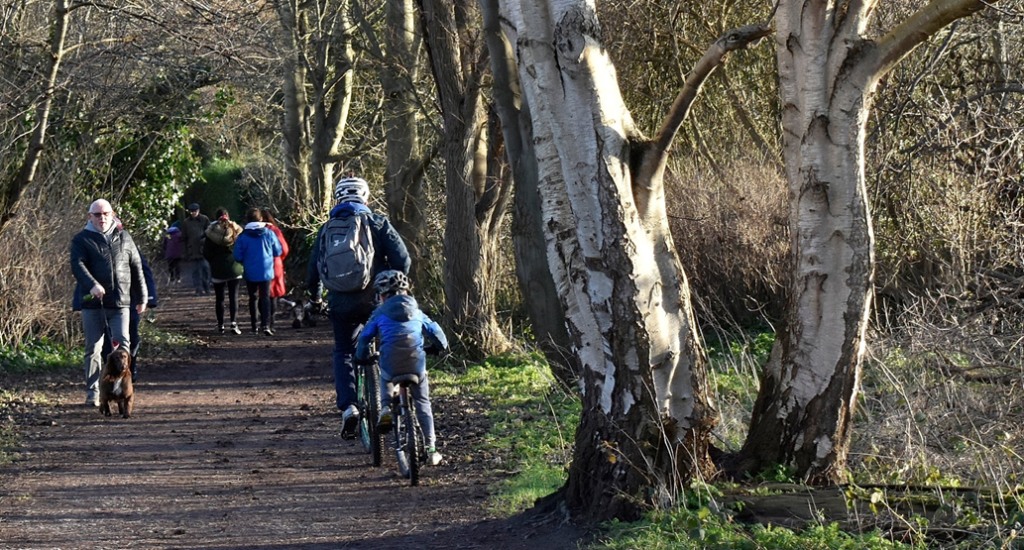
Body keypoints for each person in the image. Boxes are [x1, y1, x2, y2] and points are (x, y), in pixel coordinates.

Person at [306, 175, 410, 437]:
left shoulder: (328, 227)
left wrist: (315, 298)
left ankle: (349, 407)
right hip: (378, 300)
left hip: (340, 302)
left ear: (338, 199)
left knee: (344, 351)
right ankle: (390, 399)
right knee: (388, 343)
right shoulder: (377, 222)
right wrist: (394, 287)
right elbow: (403, 260)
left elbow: (313, 271)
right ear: (366, 197)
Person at [355, 270, 447, 466]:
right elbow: (437, 333)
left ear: (381, 296)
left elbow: (364, 339)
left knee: (386, 375)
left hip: (391, 362)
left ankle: (386, 406)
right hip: (416, 363)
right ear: (407, 292)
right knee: (423, 402)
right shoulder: (417, 311)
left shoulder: (379, 313)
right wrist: (438, 348)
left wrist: (361, 357)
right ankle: (431, 449)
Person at [69, 199, 148, 407]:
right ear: (90, 217)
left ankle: (123, 389)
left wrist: (142, 297)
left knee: (124, 344)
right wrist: (92, 285)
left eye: (105, 214)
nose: (102, 218)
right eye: (97, 214)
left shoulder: (125, 237)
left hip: (121, 302)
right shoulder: (81, 240)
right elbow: (77, 266)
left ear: (112, 214)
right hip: (93, 304)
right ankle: (94, 392)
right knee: (93, 348)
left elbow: (136, 267)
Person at [233, 207, 282, 336]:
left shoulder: (243, 236)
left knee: (253, 298)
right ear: (260, 218)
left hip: (250, 271)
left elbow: (237, 256)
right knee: (265, 297)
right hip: (266, 270)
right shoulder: (269, 233)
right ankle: (266, 325)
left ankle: (254, 327)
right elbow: (278, 251)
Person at [203, 207, 244, 335]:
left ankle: (220, 325)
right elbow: (241, 249)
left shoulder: (210, 234)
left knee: (219, 298)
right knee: (233, 297)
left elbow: (206, 252)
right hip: (234, 267)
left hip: (217, 269)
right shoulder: (236, 231)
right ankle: (233, 323)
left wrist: (213, 262)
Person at [261, 208, 291, 331]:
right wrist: (279, 259)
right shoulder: (275, 231)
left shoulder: (255, 231)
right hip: (275, 263)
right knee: (273, 294)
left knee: (262, 294)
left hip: (261, 264)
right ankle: (271, 323)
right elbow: (284, 249)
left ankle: (263, 322)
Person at [181, 202, 211, 295]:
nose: (193, 213)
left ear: (198, 211)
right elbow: (184, 238)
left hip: (203, 250)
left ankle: (207, 288)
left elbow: (210, 233)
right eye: (191, 211)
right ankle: (198, 289)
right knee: (195, 271)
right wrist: (185, 252)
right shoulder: (186, 222)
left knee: (205, 269)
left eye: (195, 211)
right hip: (192, 250)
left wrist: (205, 241)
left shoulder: (204, 219)